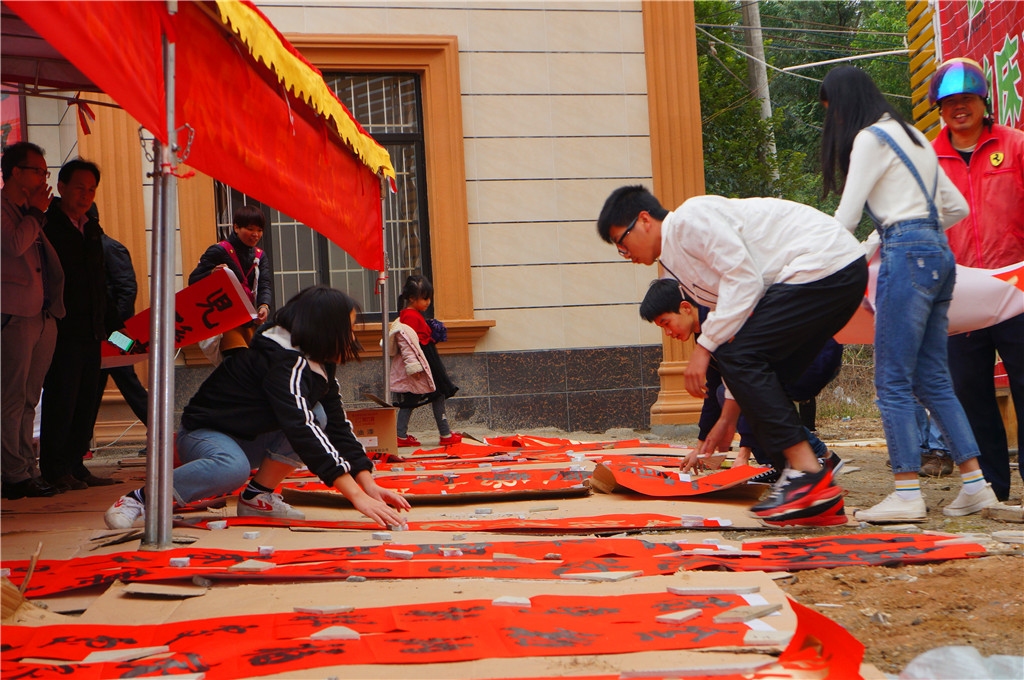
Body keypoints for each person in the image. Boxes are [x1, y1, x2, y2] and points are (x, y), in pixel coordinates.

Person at [598, 186, 867, 527]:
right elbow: (739, 334)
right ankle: (816, 499)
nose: (625, 253)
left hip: (825, 264)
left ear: (644, 220)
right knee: (761, 378)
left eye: (622, 243)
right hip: (826, 274)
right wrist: (726, 423)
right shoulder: (673, 267)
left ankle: (809, 474)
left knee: (742, 360)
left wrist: (702, 347)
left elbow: (744, 280)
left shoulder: (691, 220)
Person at [820, 65, 997, 522]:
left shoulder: (868, 138)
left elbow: (846, 216)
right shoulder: (915, 136)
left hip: (907, 254)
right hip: (939, 253)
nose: (831, 122)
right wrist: (918, 232)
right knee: (933, 379)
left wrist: (811, 260)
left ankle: (905, 492)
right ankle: (977, 486)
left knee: (892, 379)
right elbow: (955, 207)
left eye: (829, 111)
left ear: (842, 105)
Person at [104, 285, 411, 530]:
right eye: (349, 329)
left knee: (318, 414)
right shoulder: (284, 362)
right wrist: (355, 496)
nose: (353, 337)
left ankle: (256, 497)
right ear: (324, 329)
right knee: (235, 465)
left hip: (250, 439)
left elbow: (334, 424)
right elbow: (300, 428)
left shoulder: (318, 363)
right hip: (204, 435)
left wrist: (368, 483)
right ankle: (140, 499)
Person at [929, 58, 1024, 502]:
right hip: (958, 295)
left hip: (1015, 289)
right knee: (969, 392)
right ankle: (991, 489)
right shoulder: (927, 160)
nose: (959, 108)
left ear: (984, 103)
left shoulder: (1016, 146)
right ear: (940, 109)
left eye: (967, 100)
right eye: (949, 103)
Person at [638, 278, 842, 483]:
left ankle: (818, 458)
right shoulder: (704, 333)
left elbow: (745, 387)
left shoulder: (720, 320)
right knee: (725, 393)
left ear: (685, 308)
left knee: (748, 393)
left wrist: (743, 455)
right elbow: (715, 388)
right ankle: (781, 465)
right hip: (790, 362)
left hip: (814, 357)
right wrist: (699, 447)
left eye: (666, 323)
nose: (668, 332)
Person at [39, 158, 115, 491]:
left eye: (92, 189)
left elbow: (100, 280)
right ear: (62, 187)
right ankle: (55, 469)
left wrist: (113, 326)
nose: (86, 195)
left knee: (87, 399)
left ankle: (75, 464)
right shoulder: (48, 224)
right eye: (80, 188)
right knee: (63, 398)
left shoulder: (91, 227)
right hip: (63, 327)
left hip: (93, 329)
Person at [1, 142, 64, 499]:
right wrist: (37, 214)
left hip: (42, 313)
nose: (44, 177)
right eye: (38, 171)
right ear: (15, 172)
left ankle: (27, 467)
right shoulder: (7, 209)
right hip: (13, 315)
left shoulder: (29, 209)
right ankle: (12, 474)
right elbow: (12, 245)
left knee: (29, 397)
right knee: (10, 396)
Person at [189, 204, 272, 361]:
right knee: (236, 362)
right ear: (236, 227)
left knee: (250, 366)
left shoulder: (260, 256)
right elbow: (193, 281)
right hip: (225, 320)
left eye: (259, 230)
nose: (255, 234)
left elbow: (264, 284)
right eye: (250, 229)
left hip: (248, 319)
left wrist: (264, 306)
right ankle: (126, 346)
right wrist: (213, 273)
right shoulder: (218, 250)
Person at [393, 274, 461, 447]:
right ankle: (444, 434)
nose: (428, 302)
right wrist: (414, 367)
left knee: (414, 397)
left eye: (429, 298)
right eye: (424, 298)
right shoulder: (410, 316)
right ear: (411, 298)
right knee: (434, 395)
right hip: (423, 361)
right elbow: (407, 343)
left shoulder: (411, 314)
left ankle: (401, 435)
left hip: (424, 359)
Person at [93, 231, 149, 428]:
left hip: (116, 333)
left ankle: (164, 432)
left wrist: (117, 326)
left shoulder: (110, 247)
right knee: (95, 385)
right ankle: (81, 442)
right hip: (100, 332)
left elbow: (127, 289)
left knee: (126, 380)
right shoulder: (93, 247)